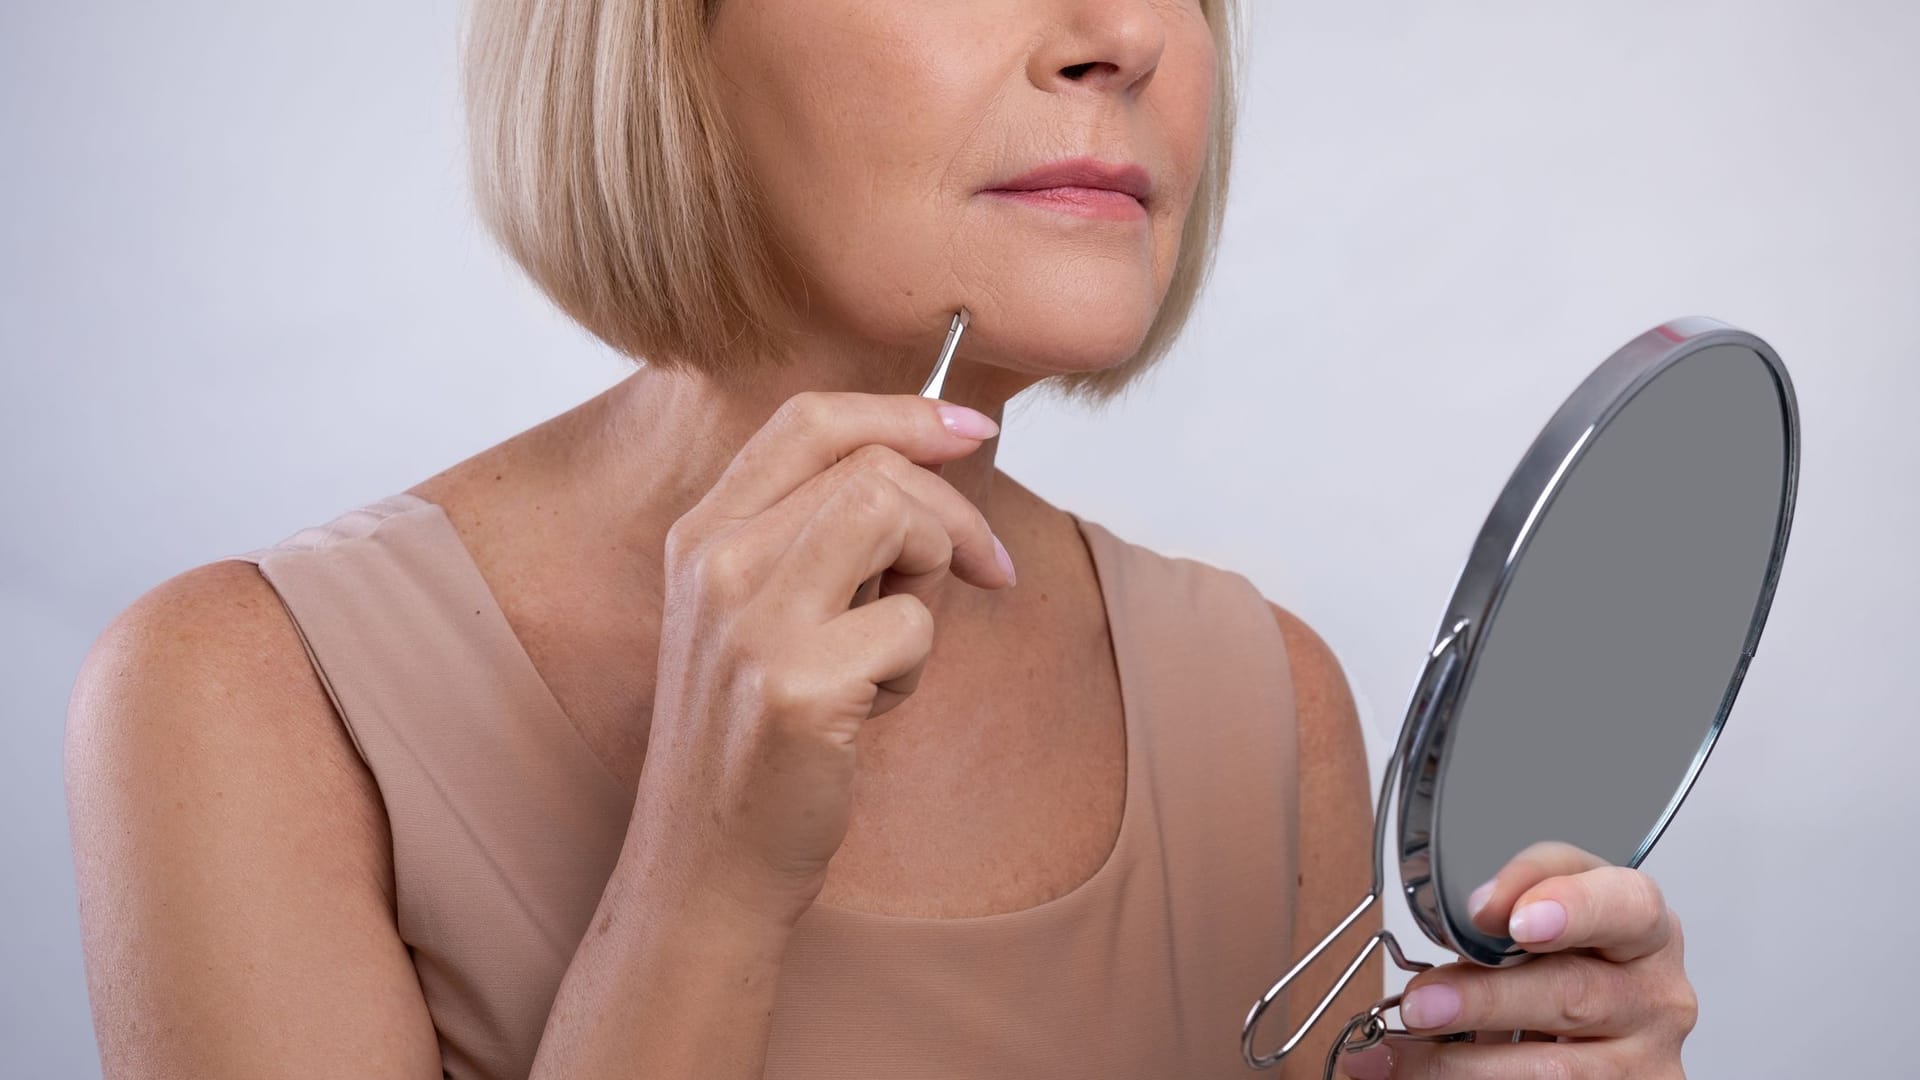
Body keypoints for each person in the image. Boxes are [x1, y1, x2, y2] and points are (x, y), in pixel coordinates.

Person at [63, 1, 1699, 1077]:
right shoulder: (243, 701)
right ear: (665, 39)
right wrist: (701, 881)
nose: (1123, 35)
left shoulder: (1267, 703)